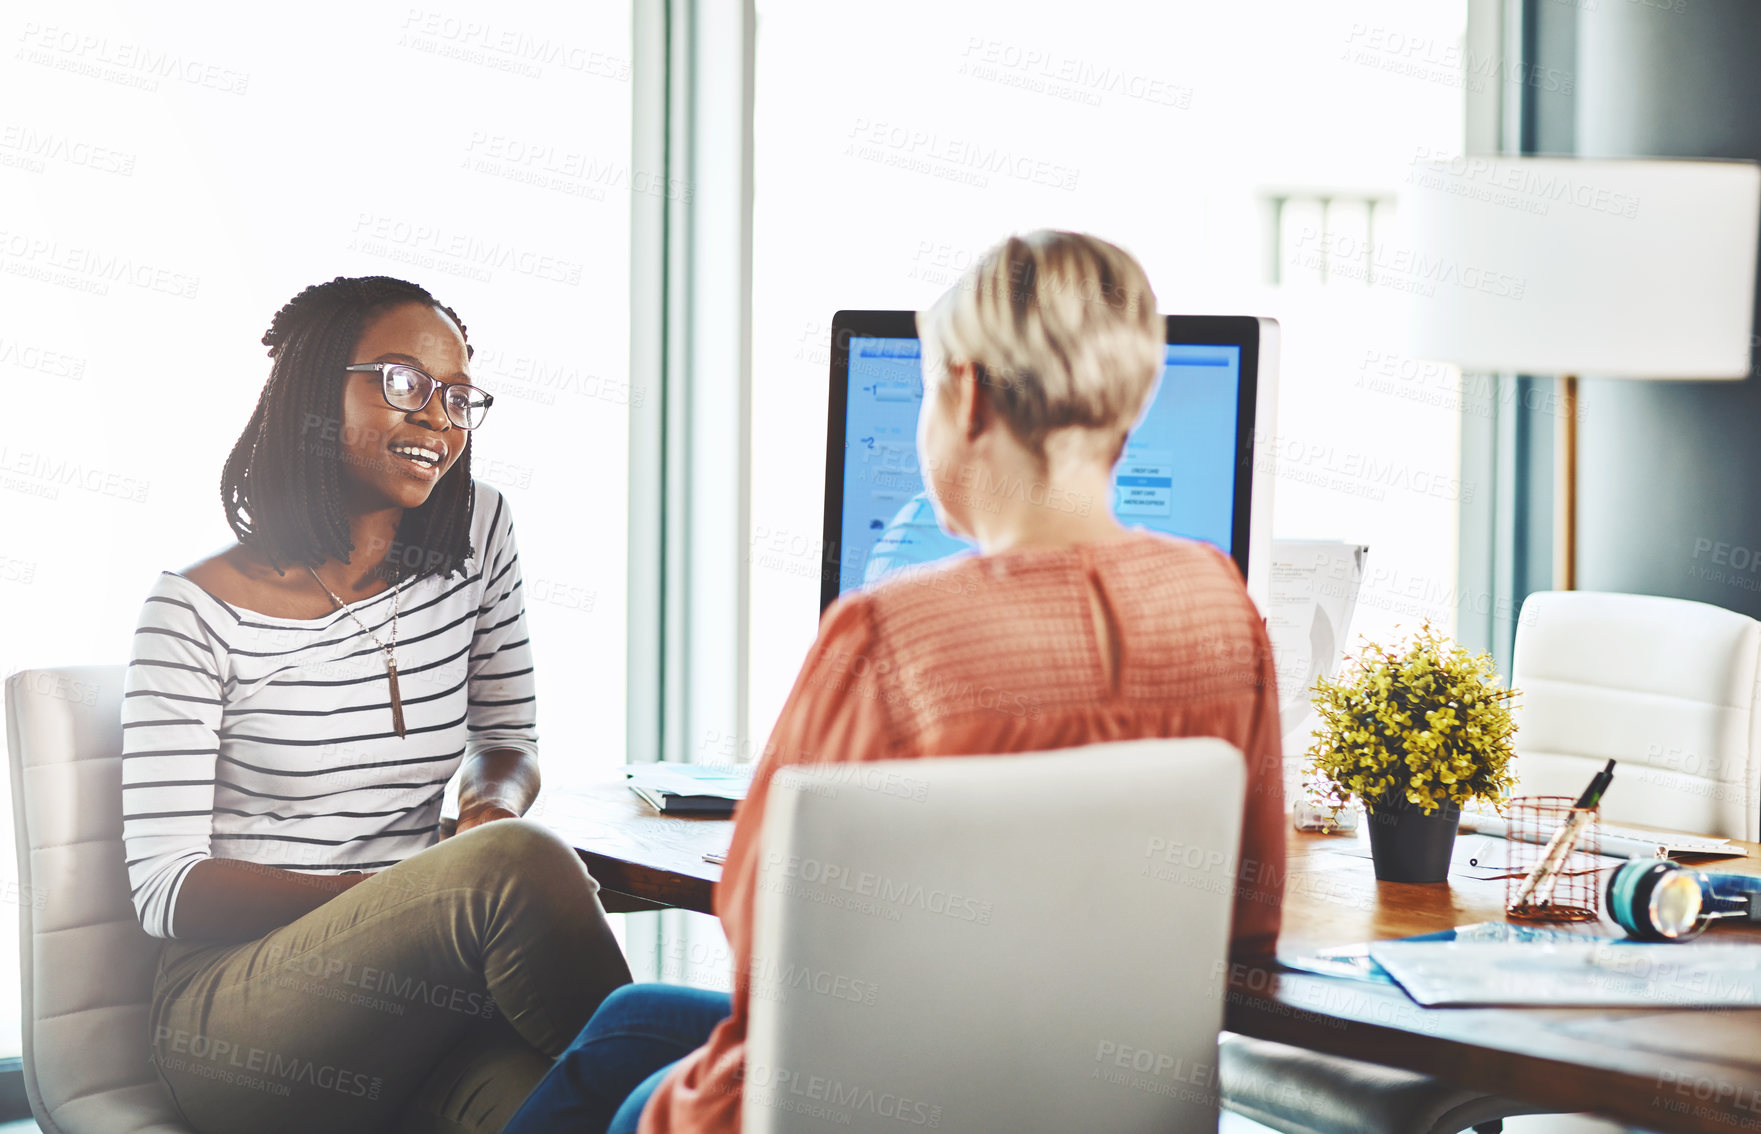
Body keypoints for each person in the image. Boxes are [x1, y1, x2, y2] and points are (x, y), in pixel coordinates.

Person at [503, 230, 1285, 1134]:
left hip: (859, 1103)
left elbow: (768, 939)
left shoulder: (892, 636)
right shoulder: (1220, 606)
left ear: (967, 392)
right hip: (1082, 1096)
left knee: (645, 1099)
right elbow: (1247, 918)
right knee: (630, 1022)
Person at [124, 276, 632, 1134]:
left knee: (570, 1113)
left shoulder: (480, 535)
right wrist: (413, 893)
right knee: (518, 863)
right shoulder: (194, 609)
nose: (438, 418)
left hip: (418, 1009)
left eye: (460, 398)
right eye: (403, 383)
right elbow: (166, 889)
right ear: (316, 390)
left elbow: (505, 735)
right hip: (237, 1022)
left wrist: (484, 809)